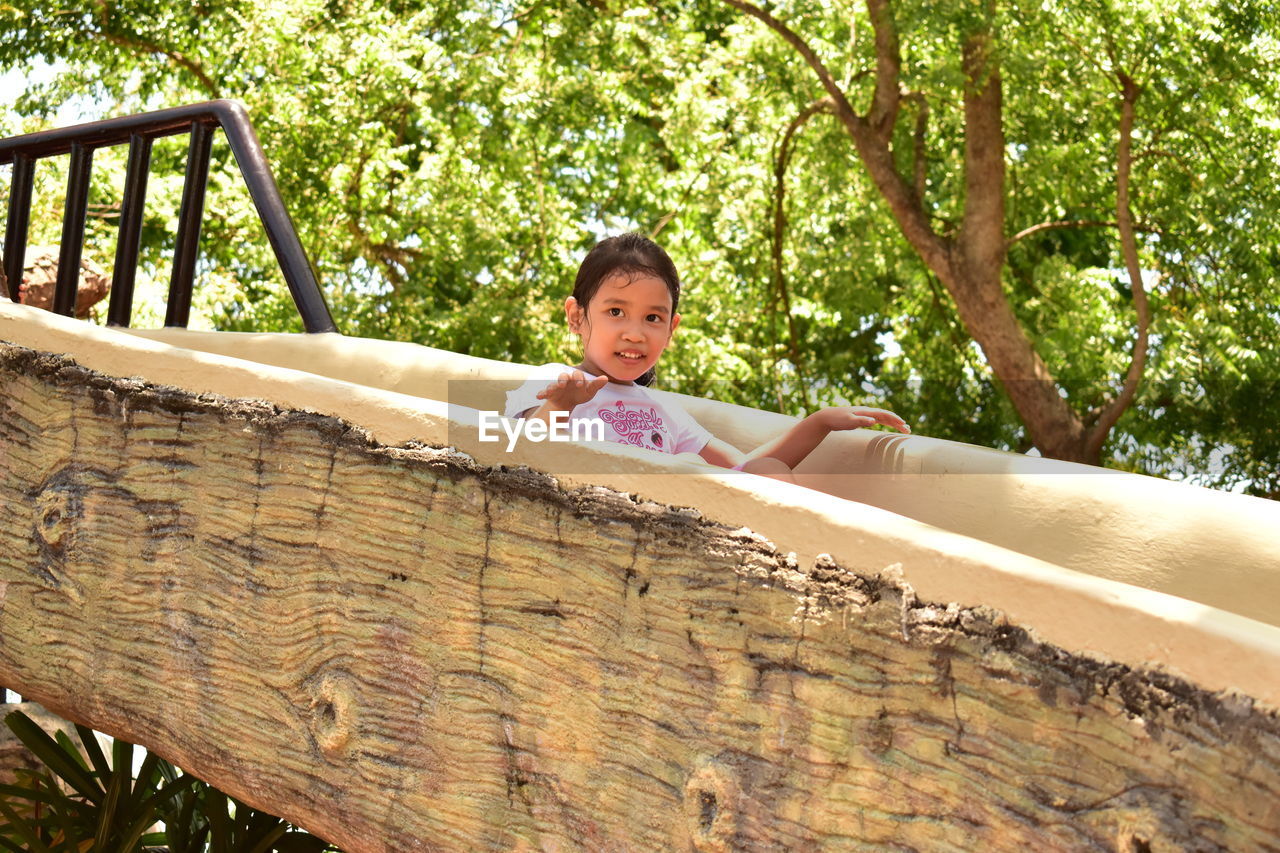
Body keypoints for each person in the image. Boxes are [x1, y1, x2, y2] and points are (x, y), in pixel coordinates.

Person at [503, 233, 909, 479]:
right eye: (615, 312)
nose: (635, 332)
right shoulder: (554, 380)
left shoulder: (662, 412)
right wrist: (560, 406)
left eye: (652, 317)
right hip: (586, 519)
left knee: (769, 471)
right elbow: (518, 459)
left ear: (670, 330)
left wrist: (818, 424)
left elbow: (744, 470)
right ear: (576, 316)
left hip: (660, 527)